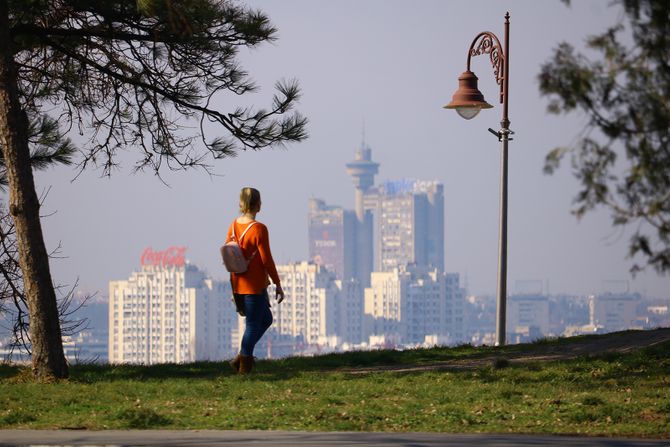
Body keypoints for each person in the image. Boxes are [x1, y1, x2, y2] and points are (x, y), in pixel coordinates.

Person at [227, 187, 284, 374]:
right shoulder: (259, 229)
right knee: (253, 325)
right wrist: (277, 283)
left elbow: (229, 254)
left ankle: (241, 357)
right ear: (257, 204)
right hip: (253, 285)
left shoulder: (233, 225)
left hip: (237, 283)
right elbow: (267, 259)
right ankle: (244, 365)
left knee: (266, 319)